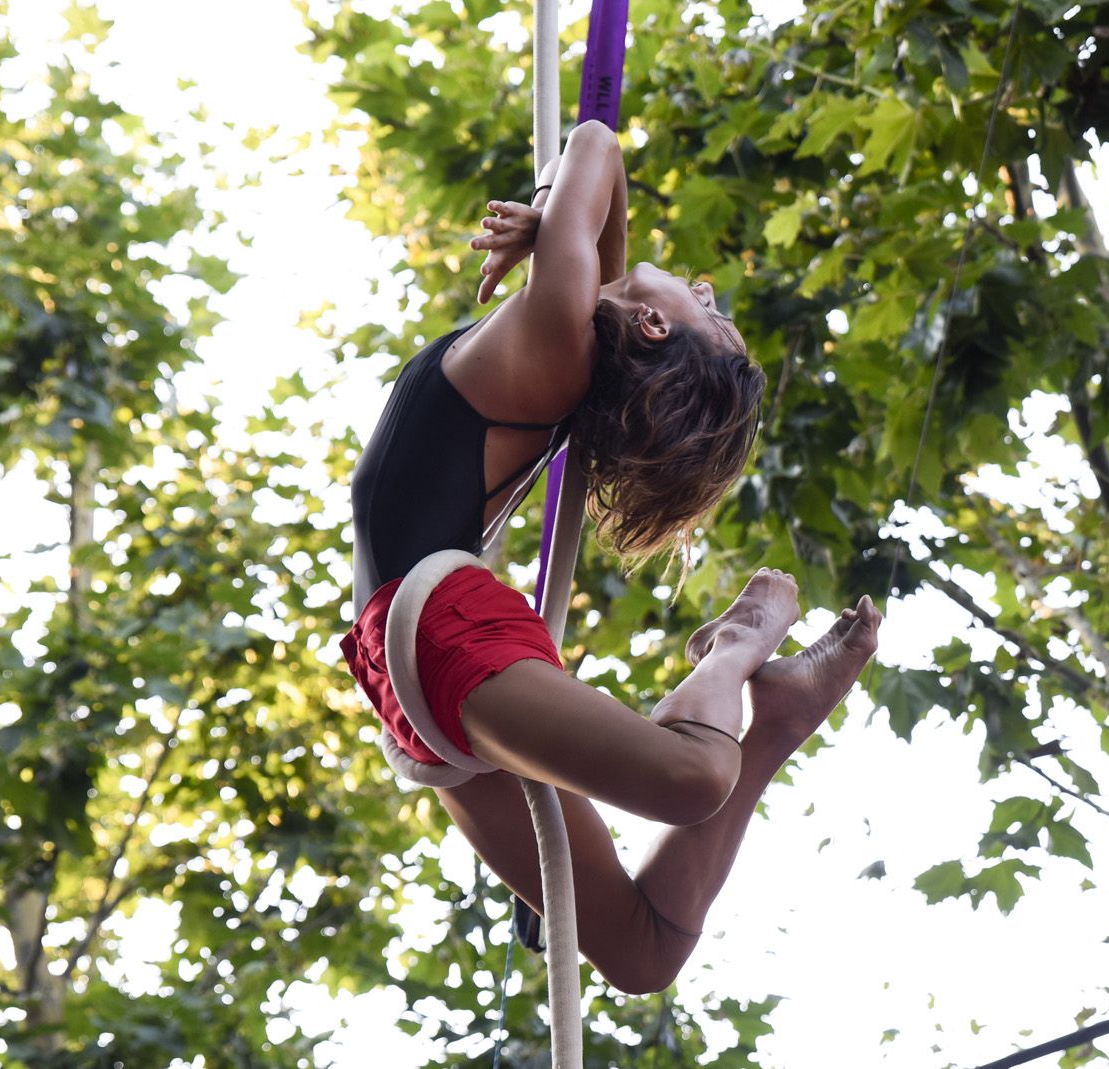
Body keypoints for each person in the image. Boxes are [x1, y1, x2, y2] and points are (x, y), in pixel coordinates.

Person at [342, 119, 882, 995]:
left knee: (693, 776)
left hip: (441, 635)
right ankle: (774, 723)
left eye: (712, 311)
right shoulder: (567, 336)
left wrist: (552, 219)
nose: (709, 286)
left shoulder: (557, 331)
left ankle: (738, 650)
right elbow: (600, 221)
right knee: (644, 951)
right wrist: (554, 231)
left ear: (658, 328)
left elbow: (594, 143)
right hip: (409, 670)